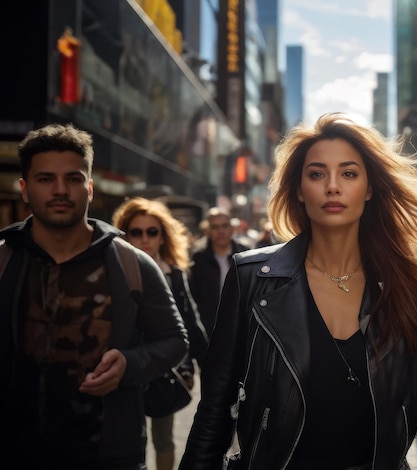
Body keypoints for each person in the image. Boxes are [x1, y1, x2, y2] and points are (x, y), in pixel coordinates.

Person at [179, 112, 417, 469]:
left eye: (348, 173)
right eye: (317, 174)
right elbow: (214, 411)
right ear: (299, 189)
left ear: (370, 187)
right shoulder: (252, 278)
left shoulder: (412, 285)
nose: (333, 186)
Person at [0, 123, 188, 469]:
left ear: (89, 187)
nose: (60, 190)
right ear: (24, 189)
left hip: (110, 454)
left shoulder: (132, 263)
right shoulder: (4, 260)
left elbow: (175, 340)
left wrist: (130, 365)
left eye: (72, 179)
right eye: (45, 179)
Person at [111, 197, 209, 470]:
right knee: (130, 442)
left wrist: (207, 372)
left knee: (163, 439)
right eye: (136, 232)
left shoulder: (175, 275)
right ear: (124, 234)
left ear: (163, 236)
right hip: (124, 368)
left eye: (152, 232)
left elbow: (191, 323)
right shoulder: (113, 271)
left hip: (164, 369)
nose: (144, 239)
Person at [189, 207, 249, 337]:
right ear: (208, 231)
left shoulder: (245, 254)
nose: (220, 231)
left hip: (240, 328)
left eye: (224, 226)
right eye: (215, 227)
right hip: (209, 330)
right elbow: (193, 296)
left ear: (232, 228)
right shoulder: (198, 258)